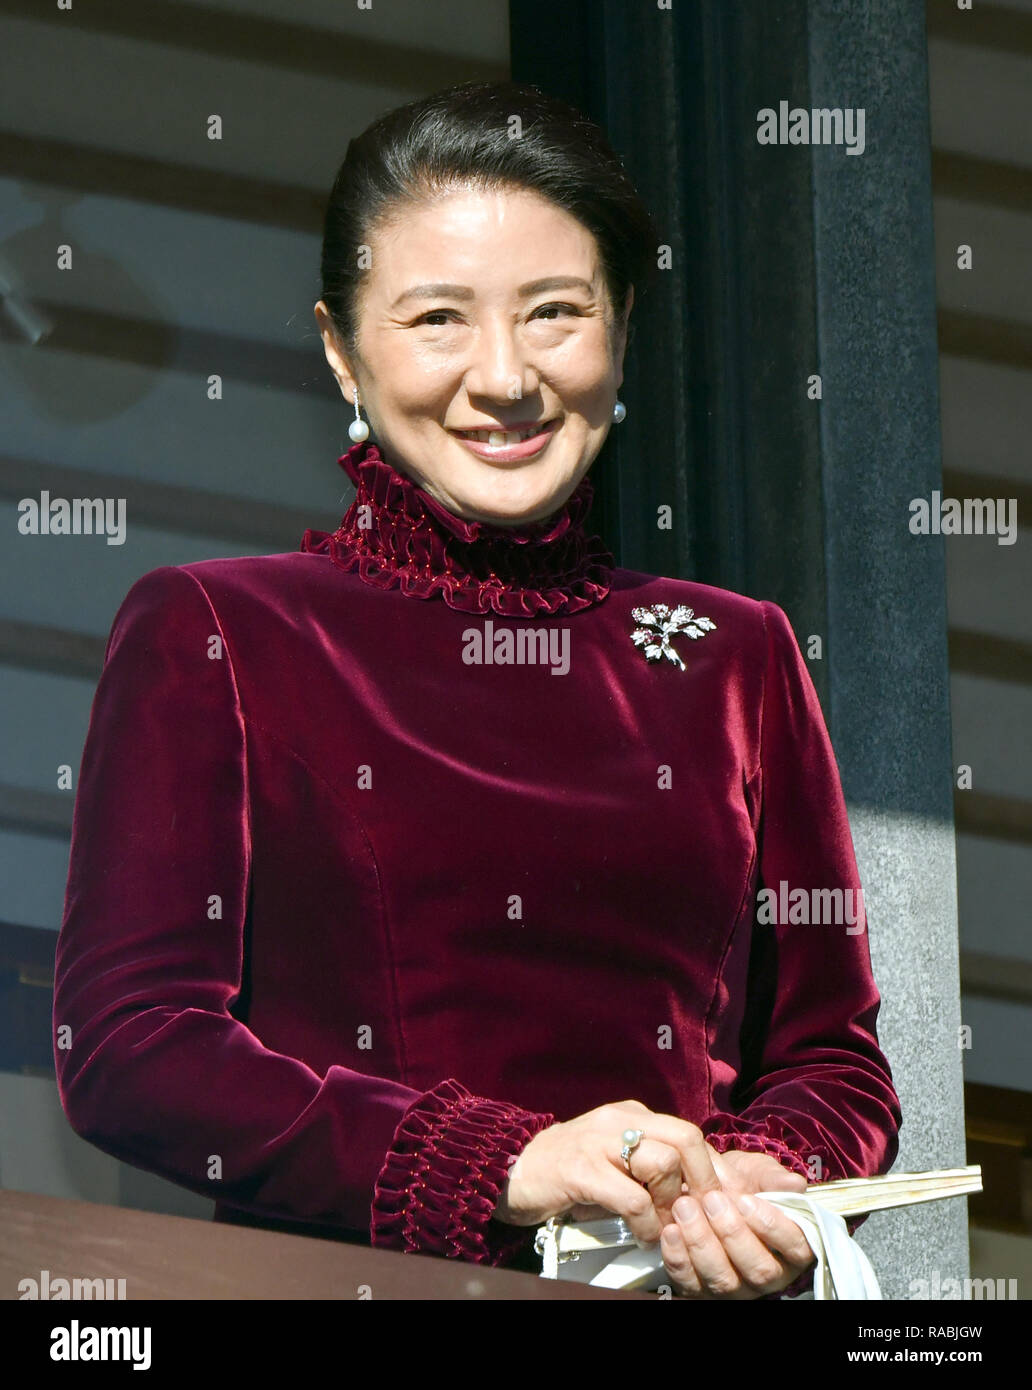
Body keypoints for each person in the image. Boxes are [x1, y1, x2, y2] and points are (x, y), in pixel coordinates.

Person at [53, 80, 901, 1300]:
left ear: (621, 332)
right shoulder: (221, 629)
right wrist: (506, 1162)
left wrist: (761, 1181)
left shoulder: (736, 654)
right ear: (341, 347)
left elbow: (833, 1056)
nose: (504, 378)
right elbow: (133, 1050)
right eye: (437, 319)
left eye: (556, 312)